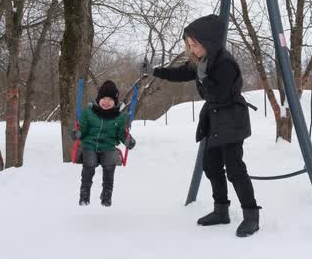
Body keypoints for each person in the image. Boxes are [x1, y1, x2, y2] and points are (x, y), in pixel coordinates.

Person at [146, 14, 261, 237]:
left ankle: (251, 216)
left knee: (235, 169)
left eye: (195, 44)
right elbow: (180, 73)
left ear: (208, 42)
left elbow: (220, 94)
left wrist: (204, 77)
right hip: (215, 119)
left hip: (231, 119)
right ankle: (221, 210)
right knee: (211, 166)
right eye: (189, 45)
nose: (192, 49)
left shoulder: (225, 63)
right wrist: (154, 71)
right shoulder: (203, 61)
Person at [76, 80, 135, 207]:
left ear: (115, 102)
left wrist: (128, 141)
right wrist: (78, 133)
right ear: (98, 99)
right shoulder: (88, 113)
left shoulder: (120, 117)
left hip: (108, 146)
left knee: (109, 167)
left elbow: (121, 134)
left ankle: (107, 195)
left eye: (110, 99)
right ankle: (84, 194)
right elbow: (83, 129)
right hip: (90, 145)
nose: (107, 102)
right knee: (89, 164)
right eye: (104, 98)